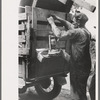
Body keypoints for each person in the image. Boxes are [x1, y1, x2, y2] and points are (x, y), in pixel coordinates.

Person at [47, 11, 91, 100]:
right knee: (81, 91)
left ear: (78, 22)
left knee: (76, 93)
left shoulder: (77, 32)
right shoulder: (86, 32)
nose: (72, 22)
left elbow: (59, 34)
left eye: (74, 21)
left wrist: (52, 23)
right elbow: (70, 25)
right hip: (85, 67)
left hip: (78, 68)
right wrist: (58, 18)